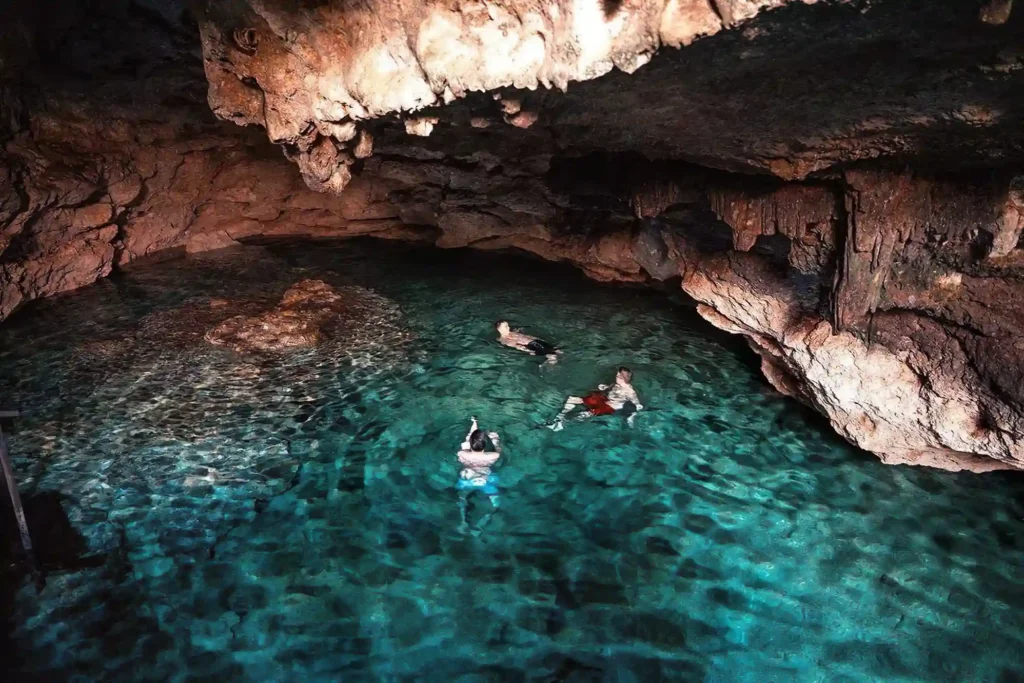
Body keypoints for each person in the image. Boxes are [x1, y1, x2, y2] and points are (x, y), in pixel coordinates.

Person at [549, 367, 644, 431]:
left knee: (586, 414)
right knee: (572, 399)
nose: (615, 377)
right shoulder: (616, 384)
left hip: (610, 407)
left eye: (617, 376)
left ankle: (562, 425)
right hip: (603, 399)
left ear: (621, 377)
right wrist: (605, 387)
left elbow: (637, 405)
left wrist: (631, 417)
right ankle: (560, 417)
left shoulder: (630, 391)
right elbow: (611, 390)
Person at [456, 416, 502, 534]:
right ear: (485, 444)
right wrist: (495, 438)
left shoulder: (462, 454)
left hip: (467, 479)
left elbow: (468, 442)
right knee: (495, 503)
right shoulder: (493, 456)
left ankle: (463, 521)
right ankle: (486, 519)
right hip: (485, 480)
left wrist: (474, 423)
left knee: (462, 499)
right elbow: (497, 448)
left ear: (471, 443)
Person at [495, 320, 560, 365]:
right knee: (552, 357)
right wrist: (529, 351)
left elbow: (526, 336)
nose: (508, 327)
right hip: (531, 346)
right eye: (506, 326)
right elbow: (517, 346)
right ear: (500, 329)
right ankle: (550, 369)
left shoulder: (512, 332)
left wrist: (540, 340)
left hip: (536, 341)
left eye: (508, 325)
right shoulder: (503, 339)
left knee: (558, 351)